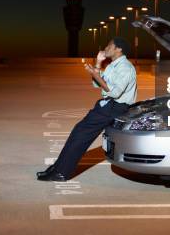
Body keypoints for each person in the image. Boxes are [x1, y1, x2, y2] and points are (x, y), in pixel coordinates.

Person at [37, 37, 137, 181]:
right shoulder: (113, 65)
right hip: (108, 105)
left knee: (80, 135)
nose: (106, 48)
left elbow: (114, 92)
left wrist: (95, 74)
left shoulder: (125, 68)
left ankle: (61, 172)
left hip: (115, 107)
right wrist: (97, 64)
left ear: (118, 49)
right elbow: (98, 85)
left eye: (109, 45)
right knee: (78, 133)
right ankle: (57, 168)